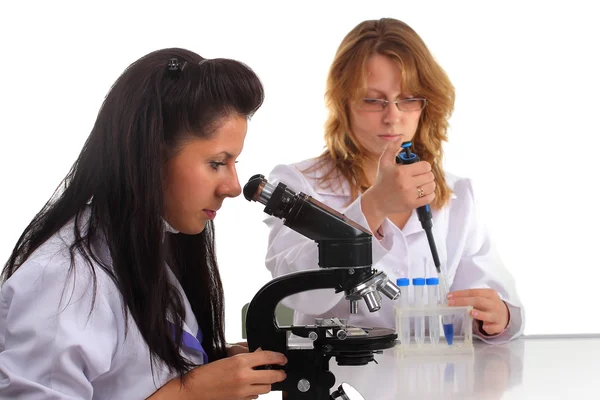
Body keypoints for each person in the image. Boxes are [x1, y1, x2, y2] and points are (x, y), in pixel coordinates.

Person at [0, 48, 287, 399]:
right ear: (152, 155)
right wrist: (190, 392)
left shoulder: (144, 251)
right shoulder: (63, 279)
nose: (232, 187)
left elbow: (132, 375)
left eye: (234, 163)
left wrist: (211, 367)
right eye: (217, 163)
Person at [263, 18, 524, 344]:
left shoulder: (457, 195)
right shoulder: (299, 184)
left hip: (435, 383)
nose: (393, 116)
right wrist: (374, 206)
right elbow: (297, 294)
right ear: (344, 103)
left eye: (409, 98)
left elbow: (493, 303)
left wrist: (497, 318)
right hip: (344, 381)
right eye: (373, 100)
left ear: (426, 104)